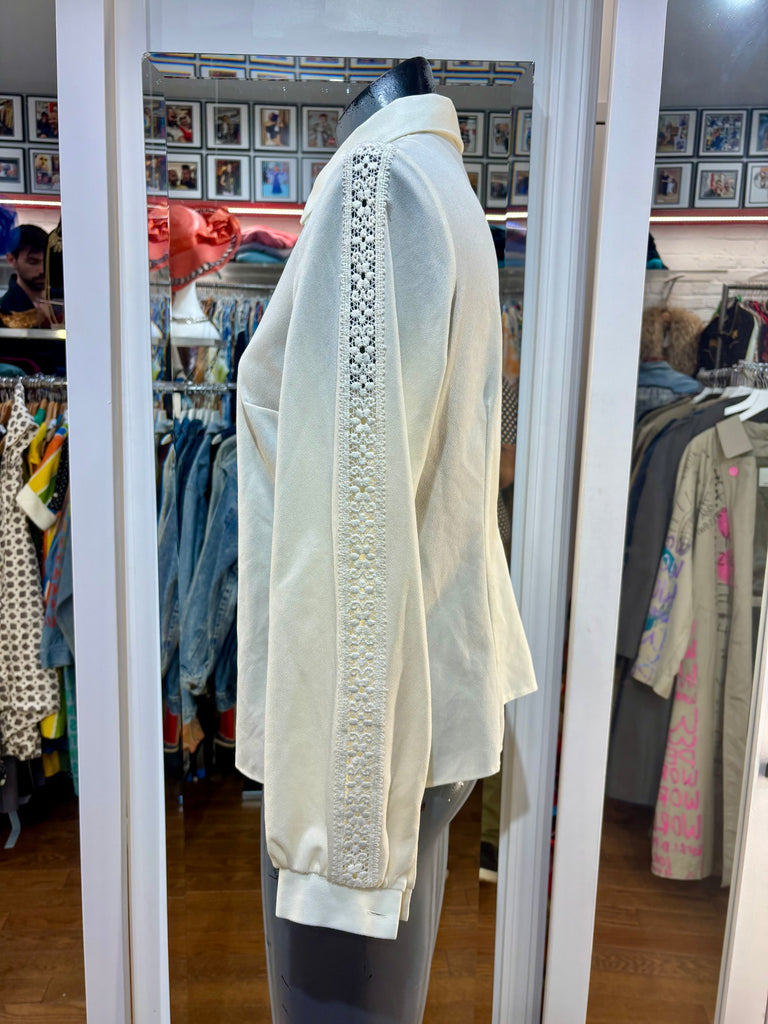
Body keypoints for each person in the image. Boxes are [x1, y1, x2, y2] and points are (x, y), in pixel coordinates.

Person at [1, 223, 49, 326]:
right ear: (11, 260)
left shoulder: (64, 297)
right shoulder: (5, 312)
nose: (43, 270)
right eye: (33, 262)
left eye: (47, 262)